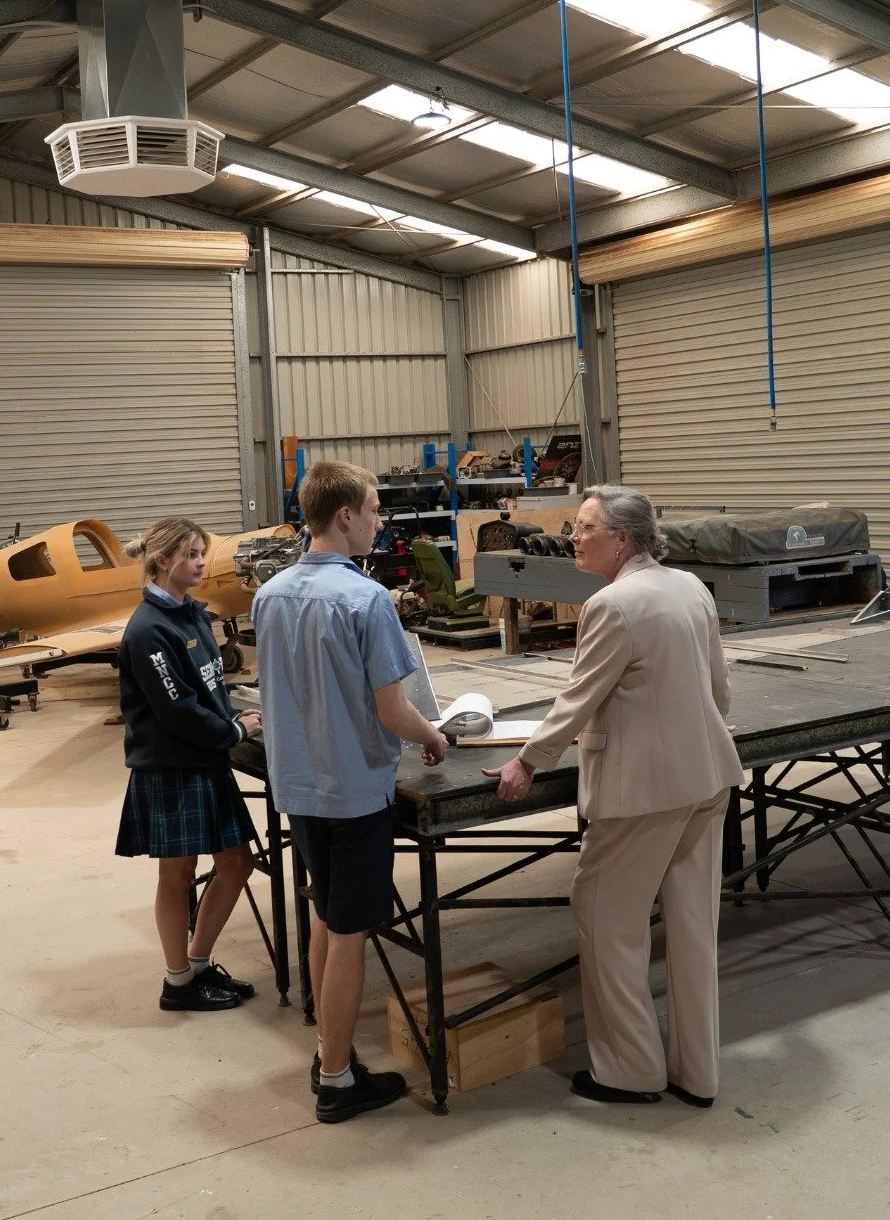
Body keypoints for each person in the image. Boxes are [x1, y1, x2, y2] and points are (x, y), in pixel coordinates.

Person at [484, 486, 744, 1108]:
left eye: (584, 527)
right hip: (705, 776)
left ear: (621, 539)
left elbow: (579, 698)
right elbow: (718, 687)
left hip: (643, 791)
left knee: (607, 919)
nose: (573, 536)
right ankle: (697, 1073)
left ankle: (629, 1069)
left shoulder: (612, 604)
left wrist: (528, 760)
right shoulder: (689, 587)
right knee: (690, 928)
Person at [251, 460, 448, 1124]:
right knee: (350, 932)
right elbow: (394, 713)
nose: (379, 519)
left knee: (327, 914)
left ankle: (326, 1047)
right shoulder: (367, 600)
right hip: (355, 792)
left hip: (299, 787)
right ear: (344, 516)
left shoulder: (269, 593)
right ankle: (336, 1079)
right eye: (373, 508)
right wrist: (435, 736)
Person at [116, 517, 263, 1013]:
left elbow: (209, 687)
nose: (203, 562)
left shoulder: (194, 614)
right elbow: (176, 708)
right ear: (164, 561)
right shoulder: (147, 630)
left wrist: (232, 714)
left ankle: (196, 964)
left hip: (204, 760)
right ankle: (177, 982)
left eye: (203, 552)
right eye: (193, 554)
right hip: (172, 766)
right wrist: (234, 732)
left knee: (237, 862)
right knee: (177, 876)